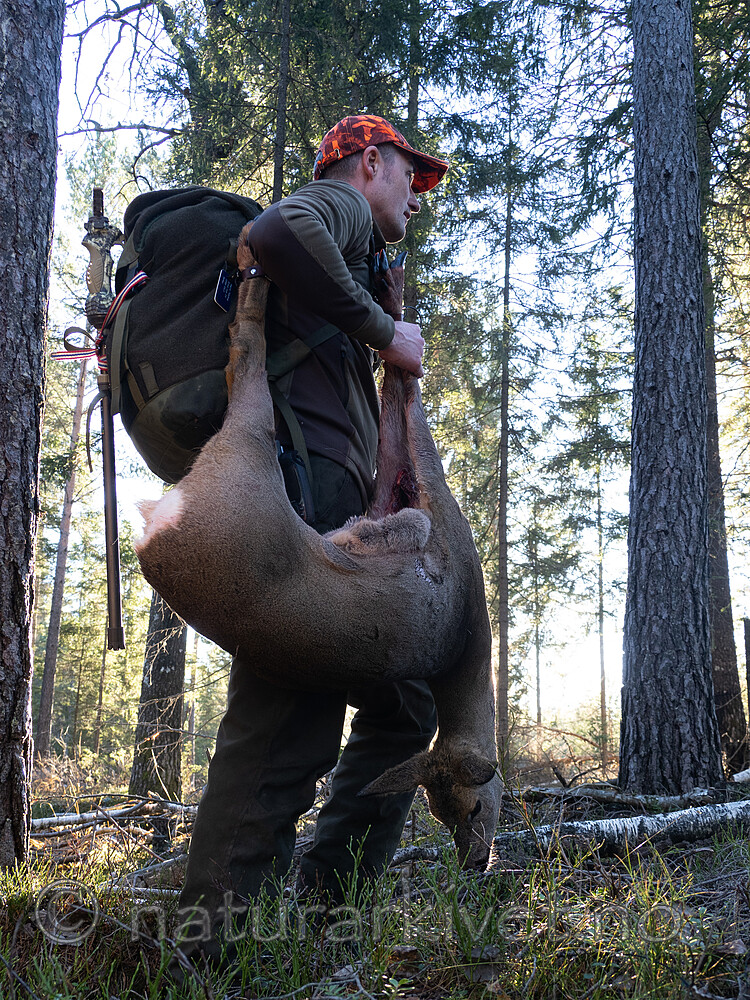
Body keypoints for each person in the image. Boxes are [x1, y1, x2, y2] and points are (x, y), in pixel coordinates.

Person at [173, 114, 449, 973]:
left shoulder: (356, 242)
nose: (415, 191)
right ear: (370, 162)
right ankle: (210, 956)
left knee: (404, 700)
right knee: (287, 711)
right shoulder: (333, 205)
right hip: (301, 485)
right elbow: (276, 229)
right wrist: (384, 330)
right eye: (410, 174)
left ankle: (326, 917)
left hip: (330, 493)